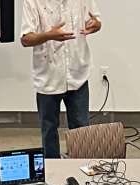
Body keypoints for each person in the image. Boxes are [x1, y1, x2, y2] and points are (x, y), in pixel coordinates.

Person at [20, 1, 102, 160]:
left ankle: (81, 168)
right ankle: (52, 168)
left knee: (81, 129)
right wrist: (48, 35)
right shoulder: (33, 2)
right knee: (49, 129)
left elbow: (96, 22)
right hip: (48, 76)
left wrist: (95, 24)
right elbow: (26, 39)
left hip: (78, 73)